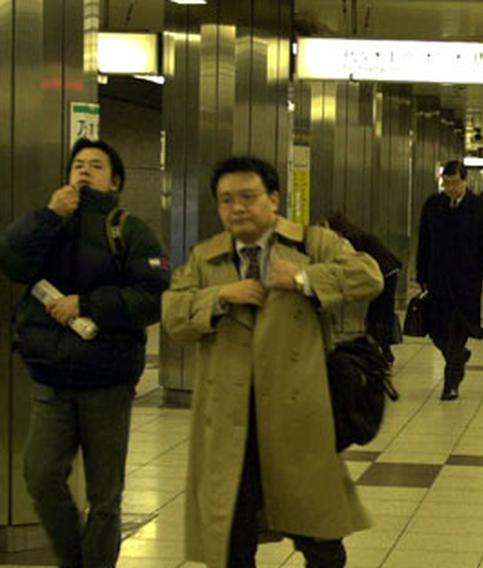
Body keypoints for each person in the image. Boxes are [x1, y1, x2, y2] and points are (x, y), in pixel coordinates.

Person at [162, 157, 382, 568]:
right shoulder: (206, 259)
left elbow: (370, 275)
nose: (237, 208)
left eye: (248, 196)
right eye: (226, 200)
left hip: (296, 418)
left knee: (320, 539)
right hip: (229, 424)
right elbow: (174, 316)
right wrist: (221, 296)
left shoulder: (311, 243)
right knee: (231, 539)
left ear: (274, 199)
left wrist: (303, 280)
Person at [0, 138, 171, 567]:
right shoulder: (48, 224)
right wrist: (48, 215)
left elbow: (153, 296)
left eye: (96, 165)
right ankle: (75, 560)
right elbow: (11, 262)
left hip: (107, 381)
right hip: (51, 379)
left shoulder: (128, 229)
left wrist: (88, 304)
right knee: (40, 477)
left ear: (115, 181)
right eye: (78, 164)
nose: (85, 171)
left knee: (104, 494)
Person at [417, 160, 483, 401]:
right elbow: (424, 242)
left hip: (467, 283)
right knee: (438, 332)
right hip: (438, 280)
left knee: (459, 330)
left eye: (455, 183)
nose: (451, 188)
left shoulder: (481, 209)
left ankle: (450, 383)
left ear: (465, 181)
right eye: (447, 184)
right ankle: (458, 356)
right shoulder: (433, 206)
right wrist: (421, 275)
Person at [324, 211, 402, 366]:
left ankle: (384, 351)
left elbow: (353, 264)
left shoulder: (351, 239)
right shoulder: (354, 235)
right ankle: (383, 350)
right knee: (379, 313)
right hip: (387, 271)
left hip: (385, 273)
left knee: (380, 313)